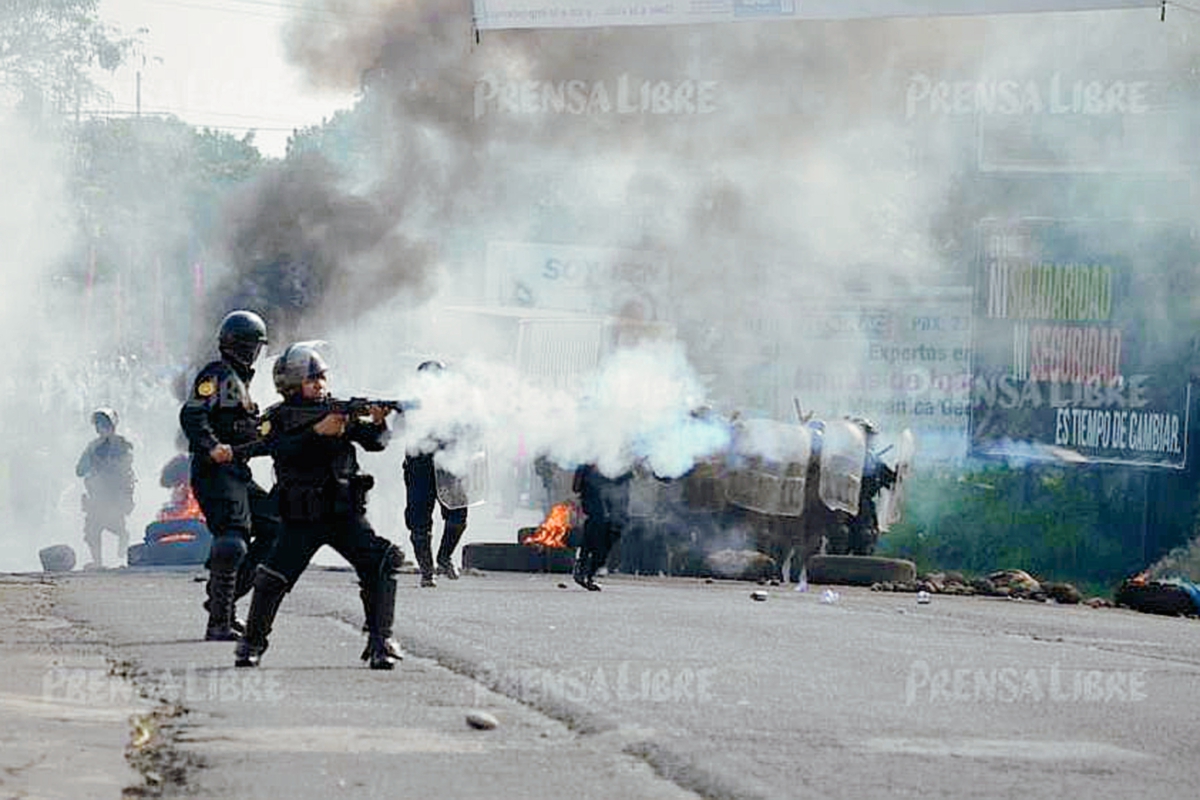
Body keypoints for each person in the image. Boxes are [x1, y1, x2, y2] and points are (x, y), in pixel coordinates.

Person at [234, 342, 404, 670]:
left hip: (344, 513)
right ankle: (251, 643)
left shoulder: (336, 411)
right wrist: (316, 432)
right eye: (311, 379)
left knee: (381, 563)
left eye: (321, 378)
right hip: (302, 518)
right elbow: (278, 449)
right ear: (291, 385)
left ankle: (381, 640)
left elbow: (375, 443)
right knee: (273, 578)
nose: (319, 385)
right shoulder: (279, 417)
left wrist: (381, 423)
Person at [179, 310, 279, 641]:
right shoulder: (217, 375)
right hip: (214, 471)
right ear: (240, 345)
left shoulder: (241, 383)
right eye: (253, 345)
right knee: (233, 538)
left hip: (237, 470)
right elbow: (193, 414)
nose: (255, 352)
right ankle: (218, 623)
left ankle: (223, 601)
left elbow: (248, 431)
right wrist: (212, 446)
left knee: (274, 527)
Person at [402, 359, 468, 588]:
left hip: (449, 466)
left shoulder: (455, 404)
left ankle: (444, 557)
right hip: (419, 466)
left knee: (458, 517)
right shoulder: (410, 404)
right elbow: (399, 429)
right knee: (419, 522)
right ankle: (427, 570)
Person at [75, 408, 136, 568]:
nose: (101, 428)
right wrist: (91, 464)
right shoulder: (92, 447)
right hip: (97, 493)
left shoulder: (122, 445)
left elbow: (124, 467)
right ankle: (98, 562)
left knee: (114, 523)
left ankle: (123, 538)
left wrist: (107, 466)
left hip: (115, 493)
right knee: (91, 531)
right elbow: (80, 470)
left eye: (104, 424)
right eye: (98, 424)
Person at [572, 462, 631, 591]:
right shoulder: (591, 455)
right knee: (595, 527)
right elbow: (577, 484)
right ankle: (583, 569)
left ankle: (590, 570)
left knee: (614, 531)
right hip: (594, 492)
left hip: (617, 492)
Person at [846, 417, 897, 556]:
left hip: (864, 507)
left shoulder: (874, 460)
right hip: (844, 507)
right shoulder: (842, 457)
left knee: (866, 539)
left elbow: (891, 479)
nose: (868, 440)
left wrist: (900, 472)